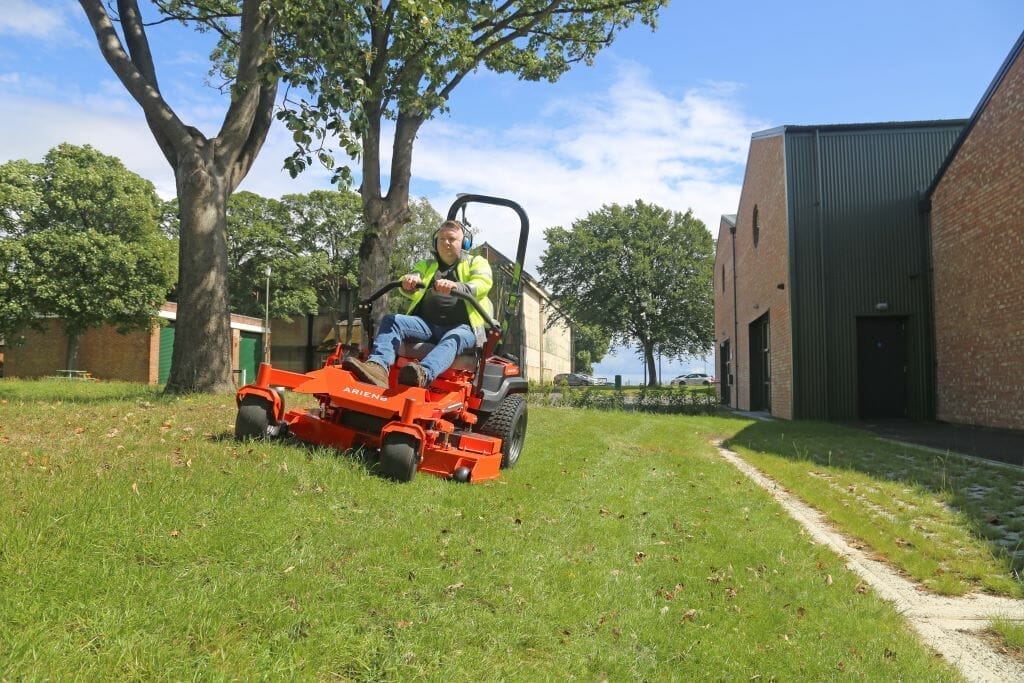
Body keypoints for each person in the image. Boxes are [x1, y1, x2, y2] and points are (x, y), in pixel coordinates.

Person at [344, 219, 493, 389]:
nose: (445, 242)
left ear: (464, 243)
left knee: (453, 339)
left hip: (463, 328)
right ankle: (377, 367)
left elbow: (483, 283)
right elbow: (412, 278)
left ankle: (423, 374)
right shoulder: (426, 265)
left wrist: (457, 286)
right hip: (426, 326)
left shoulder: (476, 262)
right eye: (442, 238)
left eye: (451, 239)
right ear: (435, 241)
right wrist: (408, 282)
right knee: (392, 320)